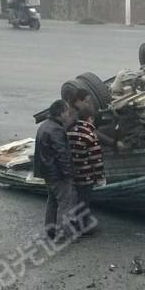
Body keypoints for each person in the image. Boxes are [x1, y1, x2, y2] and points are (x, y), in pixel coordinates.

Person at [33, 99, 76, 239]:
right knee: (65, 203)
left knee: (52, 201)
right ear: (60, 113)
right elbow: (62, 155)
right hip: (58, 174)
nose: (68, 114)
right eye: (67, 111)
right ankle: (64, 234)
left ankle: (50, 231)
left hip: (47, 172)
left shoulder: (45, 126)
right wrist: (68, 174)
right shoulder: (56, 130)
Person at [67, 103, 106, 234]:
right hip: (86, 175)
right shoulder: (90, 135)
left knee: (76, 199)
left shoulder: (70, 131)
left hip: (72, 173)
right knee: (84, 201)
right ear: (90, 118)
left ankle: (75, 223)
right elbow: (96, 160)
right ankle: (82, 228)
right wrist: (100, 177)